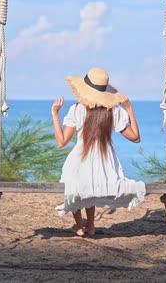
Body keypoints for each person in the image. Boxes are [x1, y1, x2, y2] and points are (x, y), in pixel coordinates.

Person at [51, 67, 146, 237]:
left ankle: (80, 226)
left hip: (80, 158)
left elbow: (61, 141)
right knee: (92, 184)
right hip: (105, 162)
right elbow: (136, 138)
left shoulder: (77, 109)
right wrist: (129, 108)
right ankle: (91, 226)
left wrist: (55, 113)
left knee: (78, 183)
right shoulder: (115, 111)